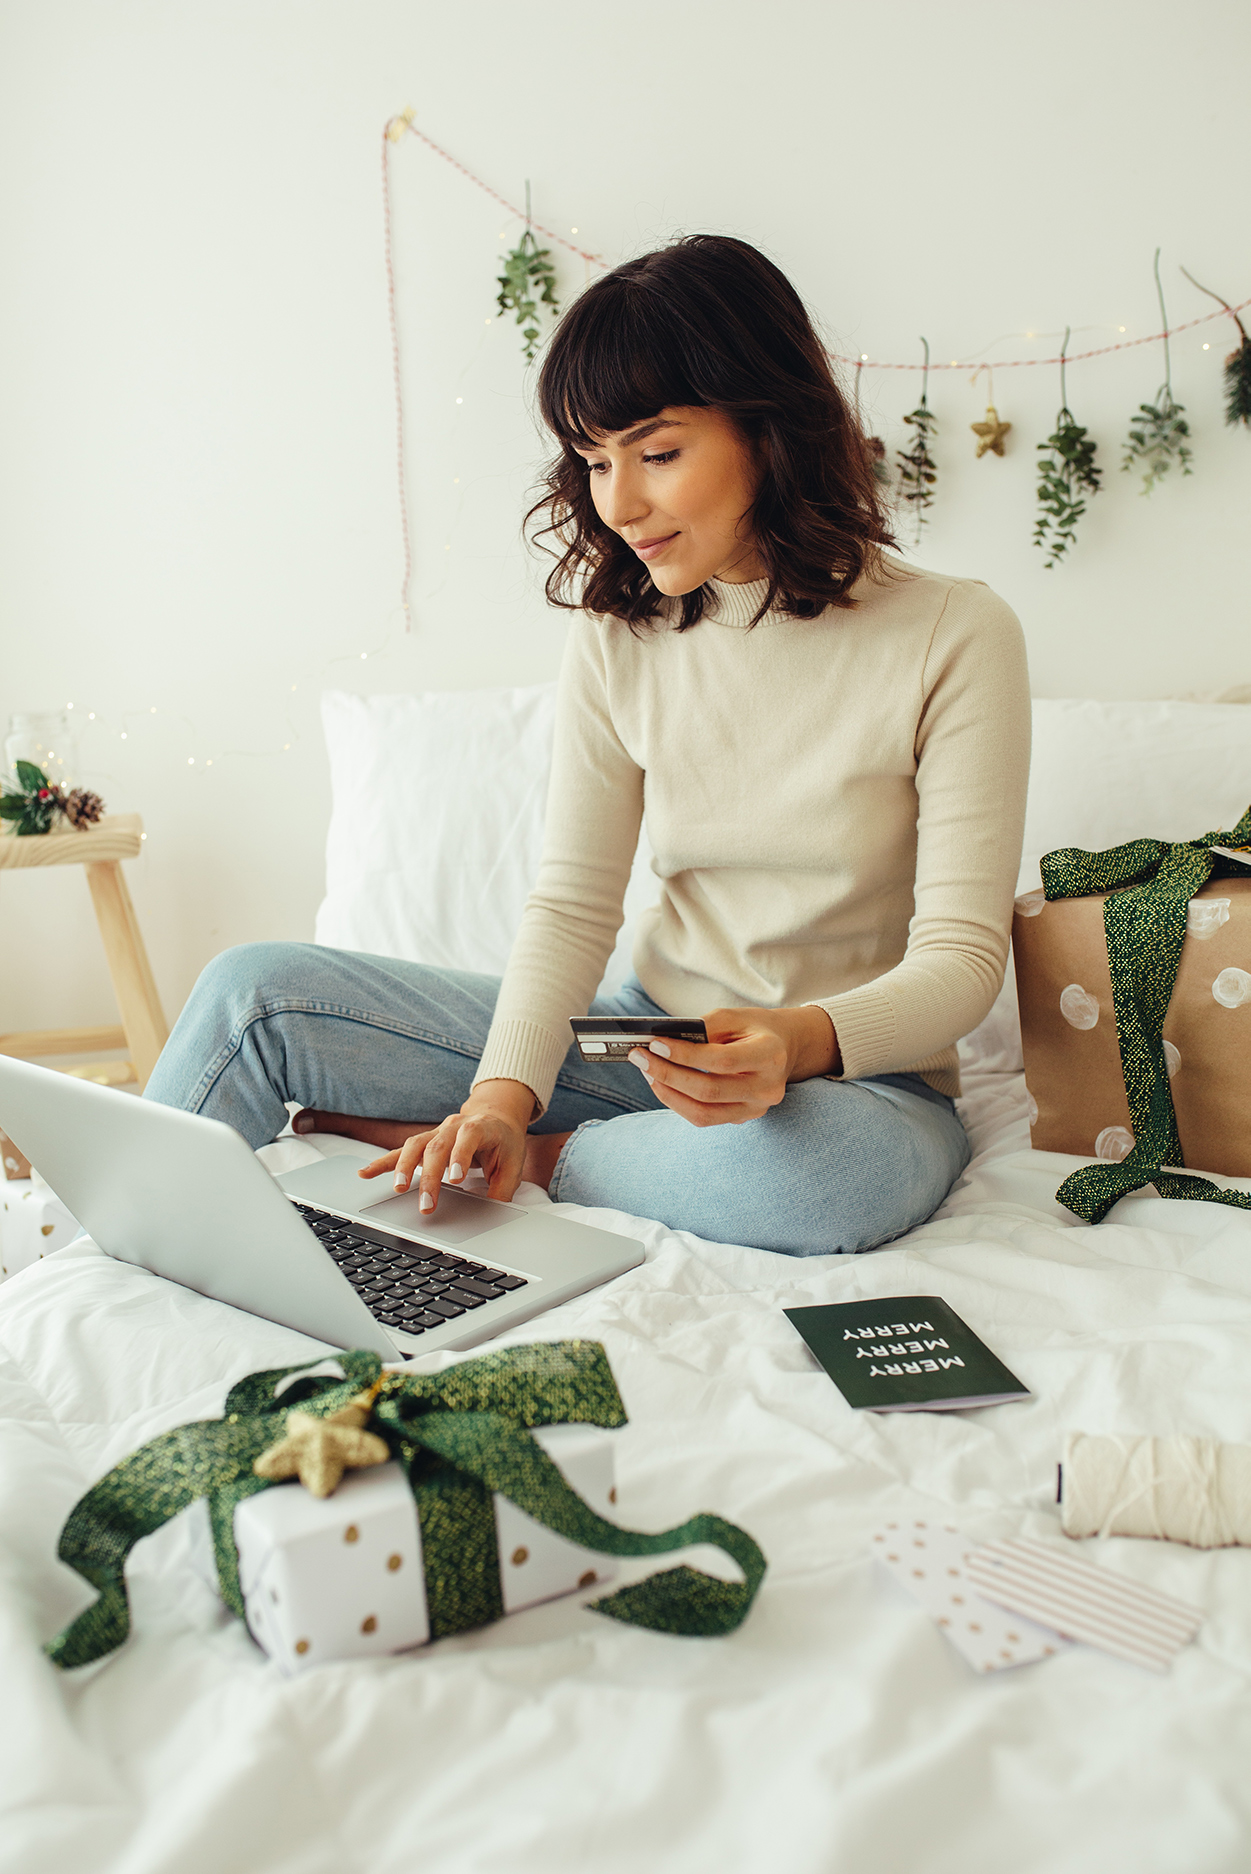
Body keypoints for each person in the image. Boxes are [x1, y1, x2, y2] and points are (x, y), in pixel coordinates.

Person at [145, 235, 1030, 1257]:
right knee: (254, 995)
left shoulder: (956, 632)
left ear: (769, 425)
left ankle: (554, 1162)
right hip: (646, 1039)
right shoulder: (619, 635)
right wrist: (497, 1094)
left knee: (823, 1179)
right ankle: (107, 1273)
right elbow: (572, 904)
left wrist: (797, 1041)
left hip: (859, 1079)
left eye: (656, 452)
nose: (617, 502)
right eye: (595, 459)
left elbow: (963, 961)